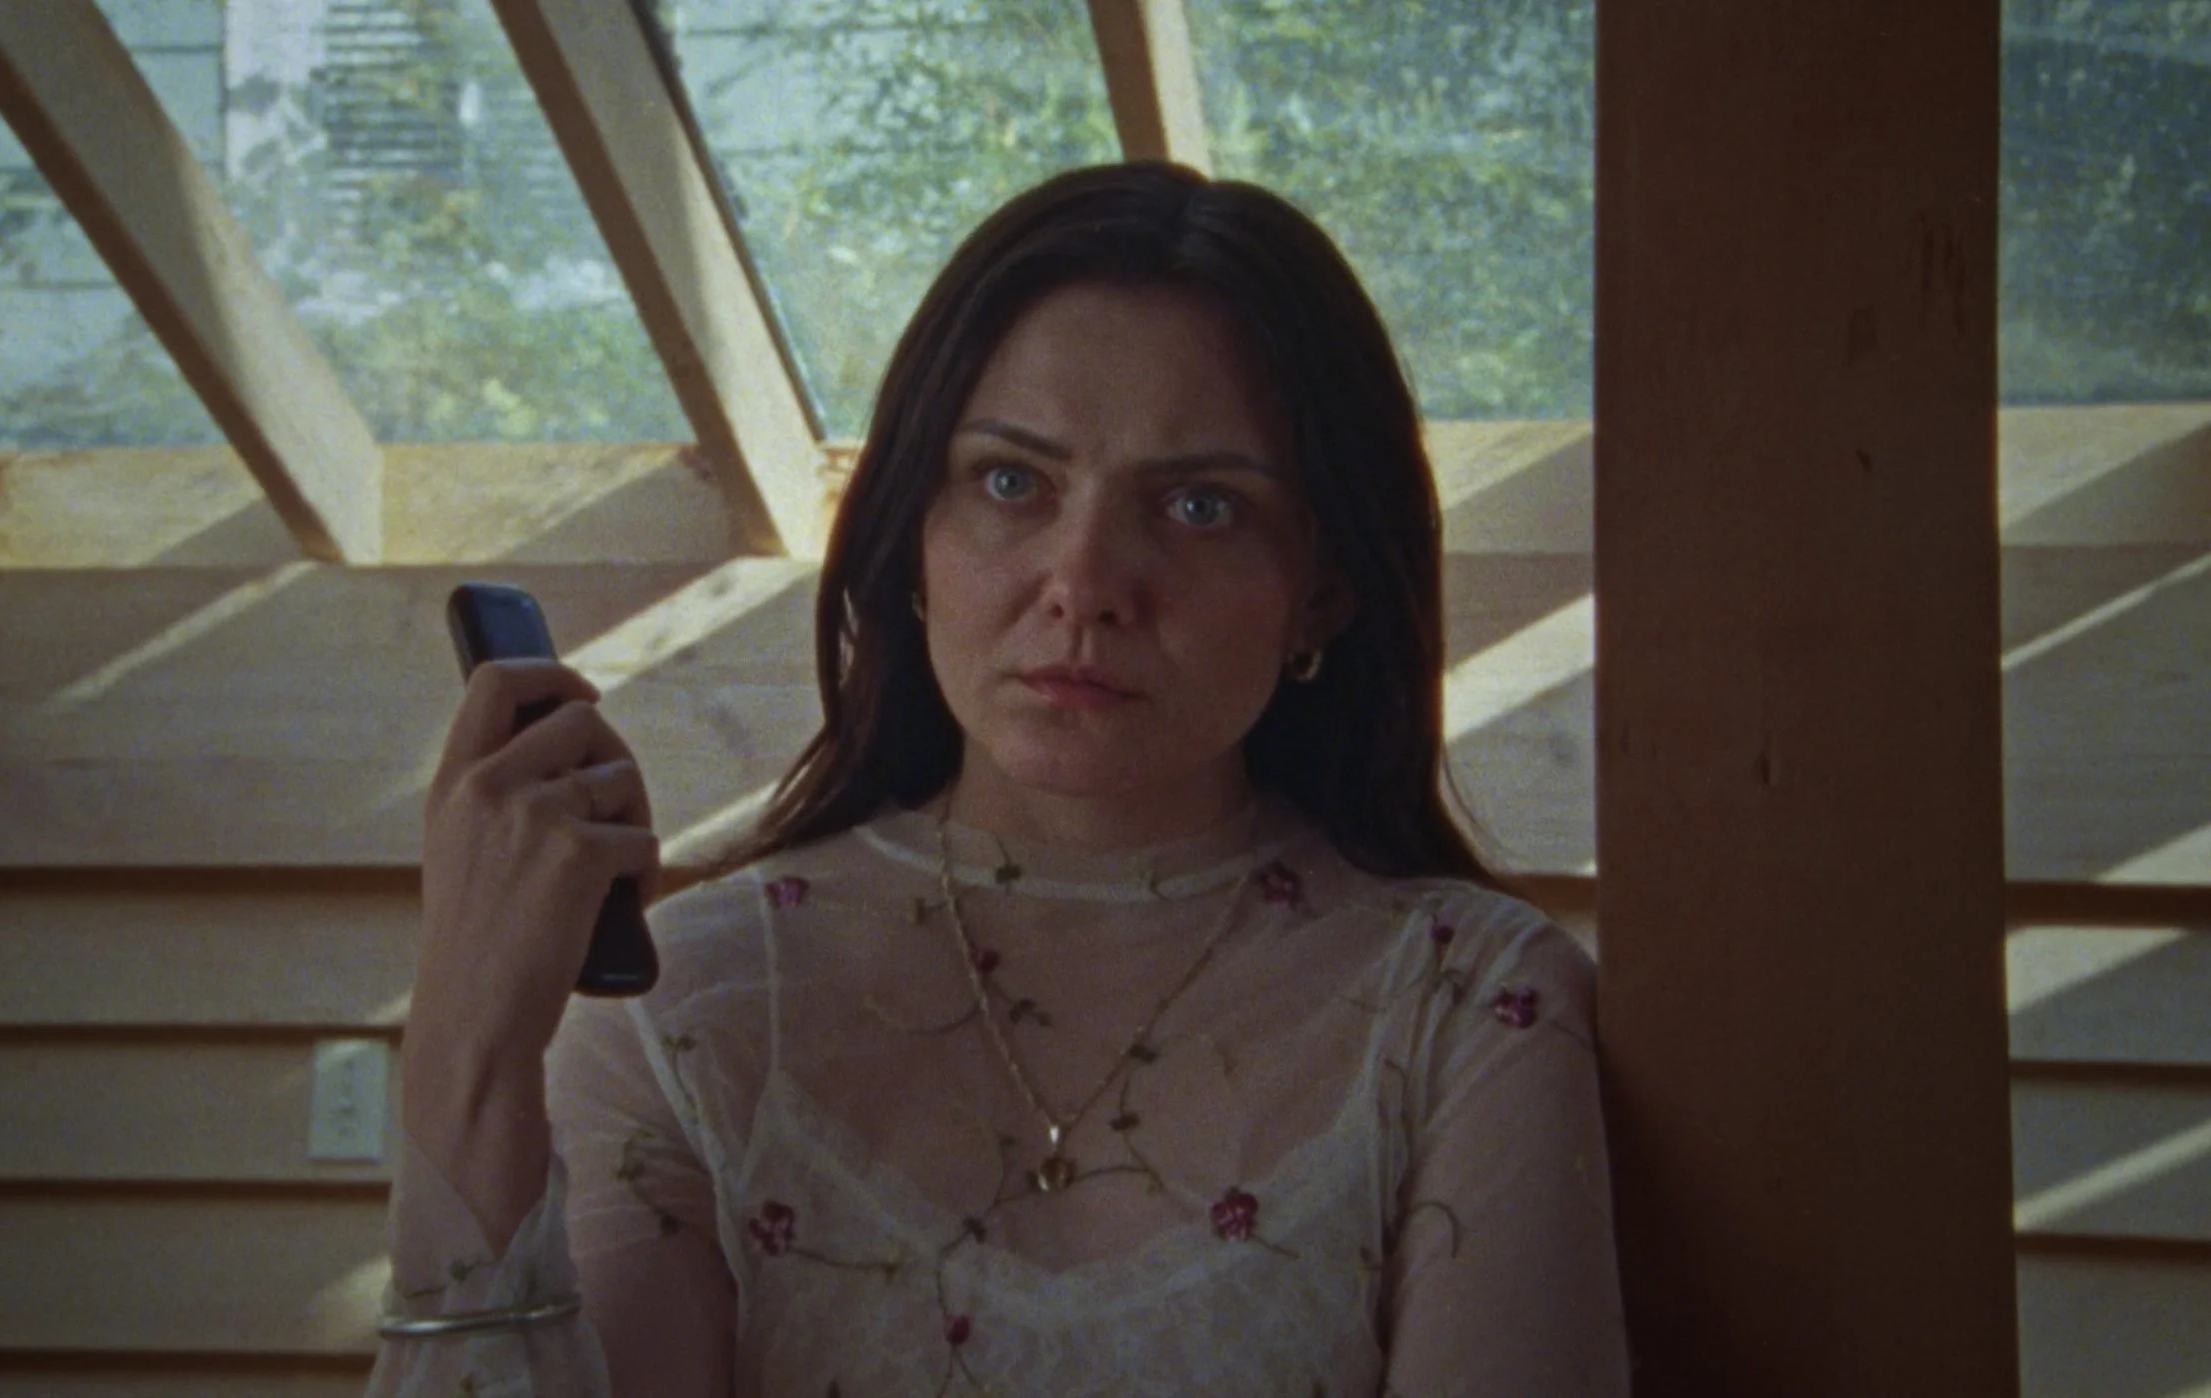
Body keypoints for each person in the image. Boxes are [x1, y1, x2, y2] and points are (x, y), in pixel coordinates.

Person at [369, 162, 1628, 1396]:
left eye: (1198, 506)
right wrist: (468, 1044)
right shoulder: (687, 1010)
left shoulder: (1470, 1006)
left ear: (1324, 589)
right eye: (1011, 482)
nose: (1083, 583)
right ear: (911, 542)